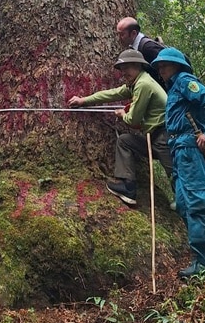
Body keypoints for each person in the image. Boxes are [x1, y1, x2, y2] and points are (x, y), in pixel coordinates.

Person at [153, 47, 205, 278]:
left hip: (189, 148)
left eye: (164, 65)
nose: (160, 70)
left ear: (176, 66)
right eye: (159, 66)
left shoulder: (184, 81)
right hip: (178, 149)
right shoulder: (174, 88)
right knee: (184, 205)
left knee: (196, 203)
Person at [67, 48, 173, 207]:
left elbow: (133, 119)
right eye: (122, 69)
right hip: (154, 136)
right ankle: (128, 188)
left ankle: (187, 208)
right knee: (125, 141)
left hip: (165, 137)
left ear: (138, 66)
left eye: (127, 68)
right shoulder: (136, 83)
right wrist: (84, 101)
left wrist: (123, 114)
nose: (124, 73)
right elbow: (113, 93)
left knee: (175, 174)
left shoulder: (143, 84)